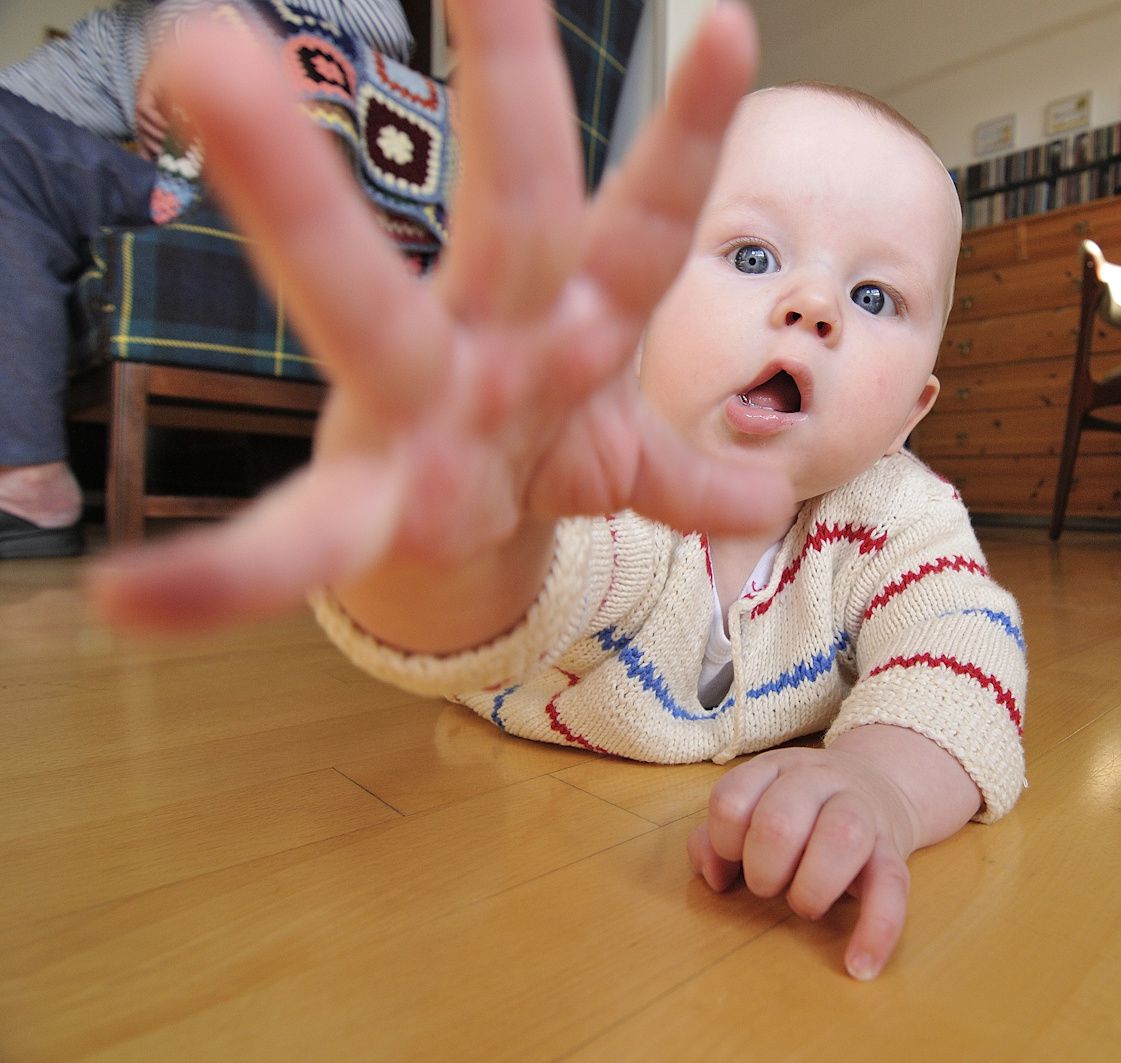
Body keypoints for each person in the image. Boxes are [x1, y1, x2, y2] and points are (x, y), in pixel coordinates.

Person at [91, 0, 1028, 982]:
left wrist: (879, 779)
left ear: (913, 408)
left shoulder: (899, 512)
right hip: (485, 881)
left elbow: (961, 652)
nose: (812, 307)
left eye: (875, 297)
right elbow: (532, 584)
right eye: (753, 256)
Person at [0, 0, 413, 558]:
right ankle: (24, 474)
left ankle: (26, 473)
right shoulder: (113, 35)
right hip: (165, 193)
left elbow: (386, 26)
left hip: (270, 192)